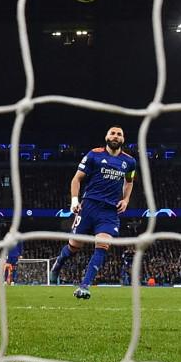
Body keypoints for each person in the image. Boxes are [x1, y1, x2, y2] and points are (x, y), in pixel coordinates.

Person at [49, 126, 135, 299]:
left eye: (119, 134)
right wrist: (74, 200)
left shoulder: (130, 162)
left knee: (102, 245)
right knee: (74, 246)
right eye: (112, 133)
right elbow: (77, 179)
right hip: (89, 207)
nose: (116, 136)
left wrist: (125, 200)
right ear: (106, 136)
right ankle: (58, 264)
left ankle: (84, 286)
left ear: (123, 139)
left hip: (109, 212)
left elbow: (129, 181)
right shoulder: (94, 154)